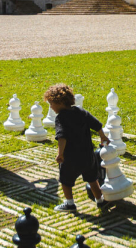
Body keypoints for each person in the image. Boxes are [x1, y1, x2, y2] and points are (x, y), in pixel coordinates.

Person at [44, 83, 108, 212]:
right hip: (87, 154)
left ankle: (70, 204)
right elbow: (96, 124)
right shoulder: (80, 111)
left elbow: (62, 137)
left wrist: (60, 153)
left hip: (71, 157)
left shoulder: (61, 118)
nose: (51, 107)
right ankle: (100, 201)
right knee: (92, 179)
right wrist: (103, 136)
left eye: (51, 104)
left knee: (65, 181)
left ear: (60, 102)